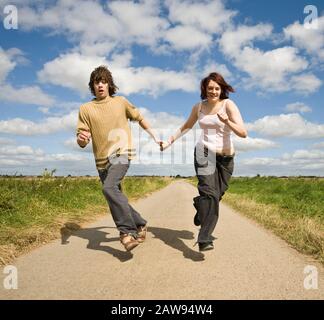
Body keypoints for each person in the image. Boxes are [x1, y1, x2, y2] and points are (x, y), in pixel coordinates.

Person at [76, 65, 161, 252]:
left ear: (109, 85)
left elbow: (139, 118)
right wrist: (82, 139)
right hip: (101, 160)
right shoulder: (85, 109)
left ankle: (126, 232)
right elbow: (81, 139)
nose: (100, 85)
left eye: (104, 82)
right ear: (92, 86)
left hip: (122, 152)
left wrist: (155, 136)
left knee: (108, 188)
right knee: (116, 196)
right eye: (97, 82)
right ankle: (140, 224)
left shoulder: (121, 102)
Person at [161, 72, 247, 252]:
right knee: (211, 194)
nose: (213, 91)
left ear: (221, 89)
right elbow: (186, 126)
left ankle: (201, 207)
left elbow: (243, 132)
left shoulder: (228, 105)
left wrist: (228, 122)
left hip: (226, 158)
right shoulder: (199, 107)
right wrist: (169, 141)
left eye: (217, 88)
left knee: (217, 194)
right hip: (204, 151)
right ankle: (205, 239)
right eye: (210, 88)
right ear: (204, 89)